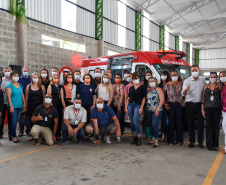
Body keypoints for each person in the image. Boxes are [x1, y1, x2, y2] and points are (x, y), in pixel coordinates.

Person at [182, 65, 206, 148]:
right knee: (190, 123)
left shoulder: (202, 80)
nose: (194, 72)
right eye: (192, 70)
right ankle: (191, 141)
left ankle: (200, 142)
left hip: (200, 104)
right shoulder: (187, 80)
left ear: (199, 71)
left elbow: (205, 90)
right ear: (190, 71)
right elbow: (183, 93)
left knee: (200, 124)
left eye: (196, 70)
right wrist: (186, 89)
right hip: (189, 104)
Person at [202, 72, 222, 151]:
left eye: (214, 77)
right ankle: (209, 144)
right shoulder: (205, 87)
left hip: (217, 108)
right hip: (207, 108)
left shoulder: (220, 87)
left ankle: (216, 145)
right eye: (211, 77)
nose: (213, 78)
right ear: (209, 78)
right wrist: (202, 109)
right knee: (208, 126)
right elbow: (203, 99)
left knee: (216, 126)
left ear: (217, 78)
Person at [163, 71, 184, 146]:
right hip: (170, 105)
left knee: (179, 122)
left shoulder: (182, 84)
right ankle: (170, 140)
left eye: (175, 75)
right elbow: (163, 95)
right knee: (171, 123)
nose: (174, 76)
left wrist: (183, 101)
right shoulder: (167, 85)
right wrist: (165, 104)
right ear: (170, 76)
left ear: (178, 76)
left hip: (179, 105)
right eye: (172, 75)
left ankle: (179, 140)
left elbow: (184, 94)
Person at [125, 72, 146, 146]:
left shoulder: (142, 87)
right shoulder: (131, 88)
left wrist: (141, 107)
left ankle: (139, 137)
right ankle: (134, 136)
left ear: (139, 78)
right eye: (134, 79)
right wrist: (126, 107)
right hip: (131, 105)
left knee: (135, 121)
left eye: (136, 78)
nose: (135, 80)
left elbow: (144, 98)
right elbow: (128, 97)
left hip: (138, 105)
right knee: (132, 122)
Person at [6, 70, 25, 143]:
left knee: (16, 121)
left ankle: (11, 134)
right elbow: (8, 97)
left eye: (17, 75)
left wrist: (24, 103)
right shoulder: (9, 85)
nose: (16, 77)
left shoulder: (20, 84)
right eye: (14, 75)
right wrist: (11, 106)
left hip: (19, 105)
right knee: (13, 121)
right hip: (12, 106)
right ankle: (14, 136)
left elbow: (22, 94)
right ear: (11, 77)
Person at [24, 73, 45, 138]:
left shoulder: (42, 87)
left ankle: (39, 134)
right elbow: (26, 97)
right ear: (32, 78)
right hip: (31, 105)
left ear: (38, 79)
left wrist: (44, 107)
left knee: (39, 120)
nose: (35, 78)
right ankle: (32, 134)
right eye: (34, 77)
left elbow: (44, 97)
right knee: (31, 119)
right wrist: (25, 106)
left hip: (39, 106)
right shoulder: (28, 86)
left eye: (36, 77)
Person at [146, 77, 164, 147]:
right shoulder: (148, 90)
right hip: (149, 110)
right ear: (148, 83)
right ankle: (153, 138)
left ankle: (156, 140)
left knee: (154, 125)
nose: (151, 82)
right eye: (150, 81)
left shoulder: (158, 89)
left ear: (155, 82)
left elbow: (162, 100)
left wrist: (157, 109)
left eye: (153, 81)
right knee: (151, 125)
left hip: (157, 110)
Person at [47, 73, 63, 140]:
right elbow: (49, 95)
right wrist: (51, 104)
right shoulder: (50, 86)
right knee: (53, 119)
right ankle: (51, 133)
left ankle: (58, 134)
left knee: (59, 119)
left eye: (57, 78)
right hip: (53, 104)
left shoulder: (60, 86)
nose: (56, 79)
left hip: (59, 104)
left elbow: (62, 96)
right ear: (52, 79)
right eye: (54, 78)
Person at [18, 66, 31, 136]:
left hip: (29, 99)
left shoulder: (31, 79)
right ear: (22, 72)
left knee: (28, 115)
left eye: (27, 71)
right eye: (24, 71)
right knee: (21, 115)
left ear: (29, 72)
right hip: (21, 99)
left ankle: (28, 131)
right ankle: (21, 131)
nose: (25, 72)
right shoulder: (19, 79)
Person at [0, 66, 12, 139]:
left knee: (11, 120)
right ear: (3, 72)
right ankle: (0, 133)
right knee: (1, 119)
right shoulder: (1, 80)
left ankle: (10, 134)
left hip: (10, 103)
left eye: (8, 71)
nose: (7, 72)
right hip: (3, 103)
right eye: (5, 71)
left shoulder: (13, 80)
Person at [158, 71, 170, 142]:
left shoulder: (169, 84)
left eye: (165, 74)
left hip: (169, 104)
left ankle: (168, 134)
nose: (163, 76)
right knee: (163, 120)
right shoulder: (159, 85)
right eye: (162, 74)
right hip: (162, 104)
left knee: (168, 121)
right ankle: (162, 134)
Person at [112, 73, 125, 138]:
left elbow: (122, 96)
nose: (117, 78)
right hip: (113, 105)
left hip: (120, 105)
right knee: (114, 119)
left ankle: (120, 132)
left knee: (119, 118)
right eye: (116, 77)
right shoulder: (112, 85)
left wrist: (119, 105)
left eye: (119, 77)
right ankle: (115, 131)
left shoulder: (121, 85)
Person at [143, 71, 153, 141]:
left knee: (153, 121)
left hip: (153, 105)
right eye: (146, 75)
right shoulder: (143, 85)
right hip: (146, 105)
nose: (148, 76)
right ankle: (148, 135)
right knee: (147, 120)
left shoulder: (155, 84)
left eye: (149, 75)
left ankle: (153, 134)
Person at [220, 71, 226, 154]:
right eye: (220, 76)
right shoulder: (223, 86)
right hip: (224, 109)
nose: (222, 77)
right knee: (224, 127)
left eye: (224, 75)